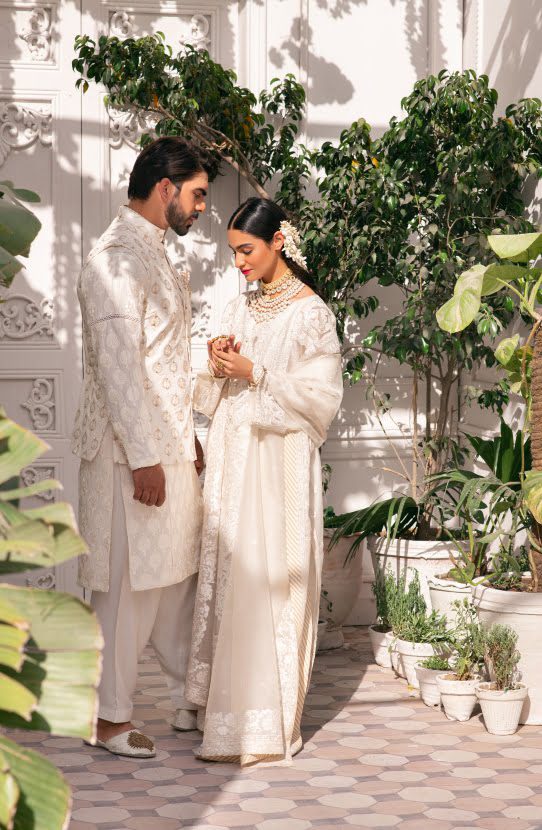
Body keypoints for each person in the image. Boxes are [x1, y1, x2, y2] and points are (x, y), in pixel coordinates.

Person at [185, 197, 344, 765]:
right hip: (234, 456)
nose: (239, 263)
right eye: (233, 253)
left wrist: (256, 372)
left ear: (279, 240)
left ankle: (264, 719)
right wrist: (215, 359)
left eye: (246, 250)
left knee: (271, 577)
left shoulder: (312, 313)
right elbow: (209, 386)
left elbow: (322, 401)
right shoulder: (240, 306)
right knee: (231, 571)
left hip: (279, 462)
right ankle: (212, 704)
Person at [72, 136, 210, 758]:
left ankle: (199, 696)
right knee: (128, 588)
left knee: (172, 581)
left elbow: (163, 362)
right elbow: (122, 367)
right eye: (197, 194)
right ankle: (109, 720)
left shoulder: (153, 254)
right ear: (164, 189)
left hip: (165, 446)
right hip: (132, 455)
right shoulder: (115, 260)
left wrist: (188, 438)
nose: (202, 207)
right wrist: (147, 457)